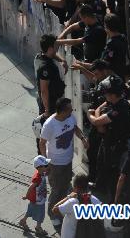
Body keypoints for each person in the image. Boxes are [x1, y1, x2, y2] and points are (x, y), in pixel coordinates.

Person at [40, 97, 88, 229]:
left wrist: (83, 138)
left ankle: (61, 209)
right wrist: (45, 162)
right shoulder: (49, 124)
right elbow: (42, 143)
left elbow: (75, 128)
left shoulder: (70, 118)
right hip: (55, 164)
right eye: (69, 109)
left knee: (66, 184)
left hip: (67, 160)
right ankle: (53, 214)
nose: (72, 111)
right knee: (56, 190)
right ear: (62, 111)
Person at [20, 155, 50, 236]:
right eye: (46, 165)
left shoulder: (40, 173)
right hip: (38, 200)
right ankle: (38, 228)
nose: (47, 166)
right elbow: (31, 187)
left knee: (30, 210)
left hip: (36, 198)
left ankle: (23, 220)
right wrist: (26, 196)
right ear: (40, 167)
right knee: (41, 214)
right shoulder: (37, 178)